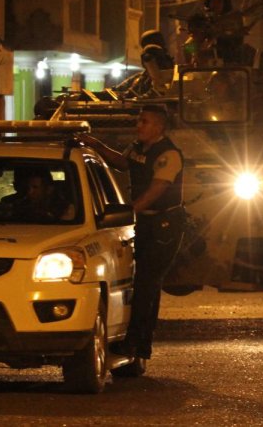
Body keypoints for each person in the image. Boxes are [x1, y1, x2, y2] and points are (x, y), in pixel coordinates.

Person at [80, 104, 185, 360]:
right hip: (146, 222)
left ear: (159, 126)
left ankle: (135, 341)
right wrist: (96, 145)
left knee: (146, 282)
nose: (138, 126)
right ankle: (141, 342)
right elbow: (123, 163)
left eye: (144, 121)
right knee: (146, 283)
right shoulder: (139, 147)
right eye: (139, 121)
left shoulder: (168, 154)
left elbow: (157, 190)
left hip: (164, 224)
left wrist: (129, 212)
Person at [2, 169, 69, 222]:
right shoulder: (20, 204)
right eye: (28, 187)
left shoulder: (63, 208)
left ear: (49, 189)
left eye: (35, 187)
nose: (29, 192)